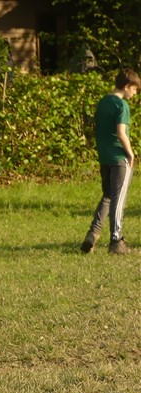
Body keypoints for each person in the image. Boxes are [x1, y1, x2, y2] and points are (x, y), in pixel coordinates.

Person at [81, 68, 139, 255]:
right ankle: (116, 240)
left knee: (107, 196)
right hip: (119, 158)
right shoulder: (121, 106)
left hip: (104, 157)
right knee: (118, 200)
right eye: (135, 90)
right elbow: (121, 133)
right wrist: (130, 153)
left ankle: (93, 234)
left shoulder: (103, 102)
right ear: (127, 86)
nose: (135, 94)